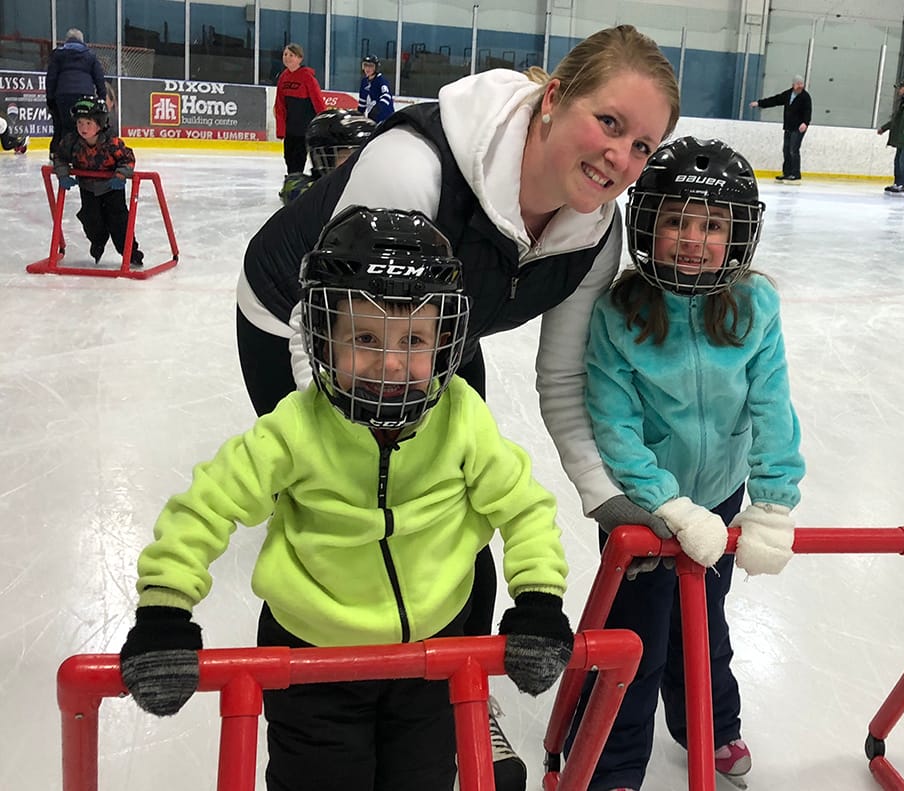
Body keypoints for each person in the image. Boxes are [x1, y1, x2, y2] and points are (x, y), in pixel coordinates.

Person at [235, 24, 680, 791]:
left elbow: (565, 381)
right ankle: (328, 701)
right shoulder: (416, 168)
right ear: (552, 100)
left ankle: (450, 686)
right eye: (610, 122)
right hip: (306, 319)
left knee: (460, 496)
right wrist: (345, 454)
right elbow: (329, 322)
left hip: (434, 326)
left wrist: (603, 496)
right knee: (354, 504)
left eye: (642, 145)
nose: (622, 157)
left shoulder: (594, 236)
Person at [118, 206, 576, 791]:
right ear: (324, 337)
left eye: (413, 338)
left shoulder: (464, 419)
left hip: (432, 658)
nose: (388, 364)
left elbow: (524, 506)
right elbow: (206, 505)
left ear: (444, 343)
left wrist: (538, 598)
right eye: (363, 337)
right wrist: (164, 610)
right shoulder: (294, 429)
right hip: (312, 663)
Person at [568, 137, 805, 791]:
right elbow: (612, 424)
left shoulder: (755, 306)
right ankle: (615, 763)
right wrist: (666, 504)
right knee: (636, 638)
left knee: (703, 618)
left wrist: (774, 499)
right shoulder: (619, 312)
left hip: (722, 495)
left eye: (711, 224)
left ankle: (711, 721)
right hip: (645, 507)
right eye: (677, 220)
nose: (693, 238)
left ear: (737, 234)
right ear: (648, 224)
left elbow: (773, 405)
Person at [52, 96, 144, 267]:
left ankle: (131, 253)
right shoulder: (72, 142)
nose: (83, 128)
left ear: (100, 124)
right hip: (88, 188)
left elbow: (128, 158)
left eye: (88, 123)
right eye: (80, 123)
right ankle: (97, 243)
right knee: (91, 218)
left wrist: (121, 175)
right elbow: (60, 157)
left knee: (119, 223)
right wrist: (63, 174)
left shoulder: (111, 143)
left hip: (111, 189)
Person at [278, 108, 375, 206]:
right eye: (347, 155)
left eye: (362, 154)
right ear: (321, 159)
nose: (357, 161)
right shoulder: (305, 192)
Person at [45, 28, 107, 159]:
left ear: (66, 40)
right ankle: (80, 157)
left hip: (63, 95)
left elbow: (51, 78)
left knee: (62, 125)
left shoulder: (58, 54)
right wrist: (102, 97)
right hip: (85, 96)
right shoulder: (90, 55)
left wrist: (50, 99)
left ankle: (57, 156)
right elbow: (99, 78)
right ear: (82, 41)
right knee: (82, 125)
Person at [274, 43, 326, 175]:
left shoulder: (307, 77)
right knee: (288, 158)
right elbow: (279, 105)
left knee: (298, 160)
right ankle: (292, 183)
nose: (287, 57)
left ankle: (295, 184)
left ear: (299, 58)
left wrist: (323, 123)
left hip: (304, 129)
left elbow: (318, 102)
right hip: (290, 129)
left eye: (291, 55)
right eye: (285, 54)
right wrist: (281, 129)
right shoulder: (283, 77)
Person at [749, 75, 812, 181]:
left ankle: (795, 174)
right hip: (788, 126)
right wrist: (759, 103)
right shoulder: (788, 94)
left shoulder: (805, 97)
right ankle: (787, 173)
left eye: (801, 84)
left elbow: (808, 111)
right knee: (786, 150)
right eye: (798, 84)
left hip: (798, 128)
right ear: (793, 85)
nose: (800, 86)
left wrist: (805, 123)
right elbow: (775, 100)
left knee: (793, 150)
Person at [878, 79, 904, 195]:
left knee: (903, 160)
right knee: (897, 160)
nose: (898, 90)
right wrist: (884, 128)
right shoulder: (903, 101)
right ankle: (897, 183)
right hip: (901, 137)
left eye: (900, 88)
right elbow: (896, 120)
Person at [359, 54, 394, 124]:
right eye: (365, 65)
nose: (367, 69)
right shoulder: (364, 82)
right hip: (372, 119)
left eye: (371, 66)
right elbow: (362, 101)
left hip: (385, 119)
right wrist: (359, 114)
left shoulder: (381, 81)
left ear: (376, 68)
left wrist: (378, 108)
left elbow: (387, 96)